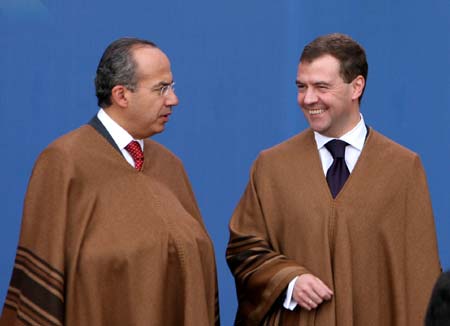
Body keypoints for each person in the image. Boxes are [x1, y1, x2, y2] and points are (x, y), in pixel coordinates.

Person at [0, 37, 219, 326]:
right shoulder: (63, 162)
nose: (173, 99)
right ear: (121, 95)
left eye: (172, 87)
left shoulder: (170, 166)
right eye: (161, 88)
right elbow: (42, 285)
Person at [226, 33, 441, 325]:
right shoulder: (271, 167)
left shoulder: (403, 169)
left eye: (321, 87)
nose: (308, 99)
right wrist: (289, 281)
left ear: (356, 87)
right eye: (301, 87)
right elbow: (243, 251)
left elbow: (421, 276)